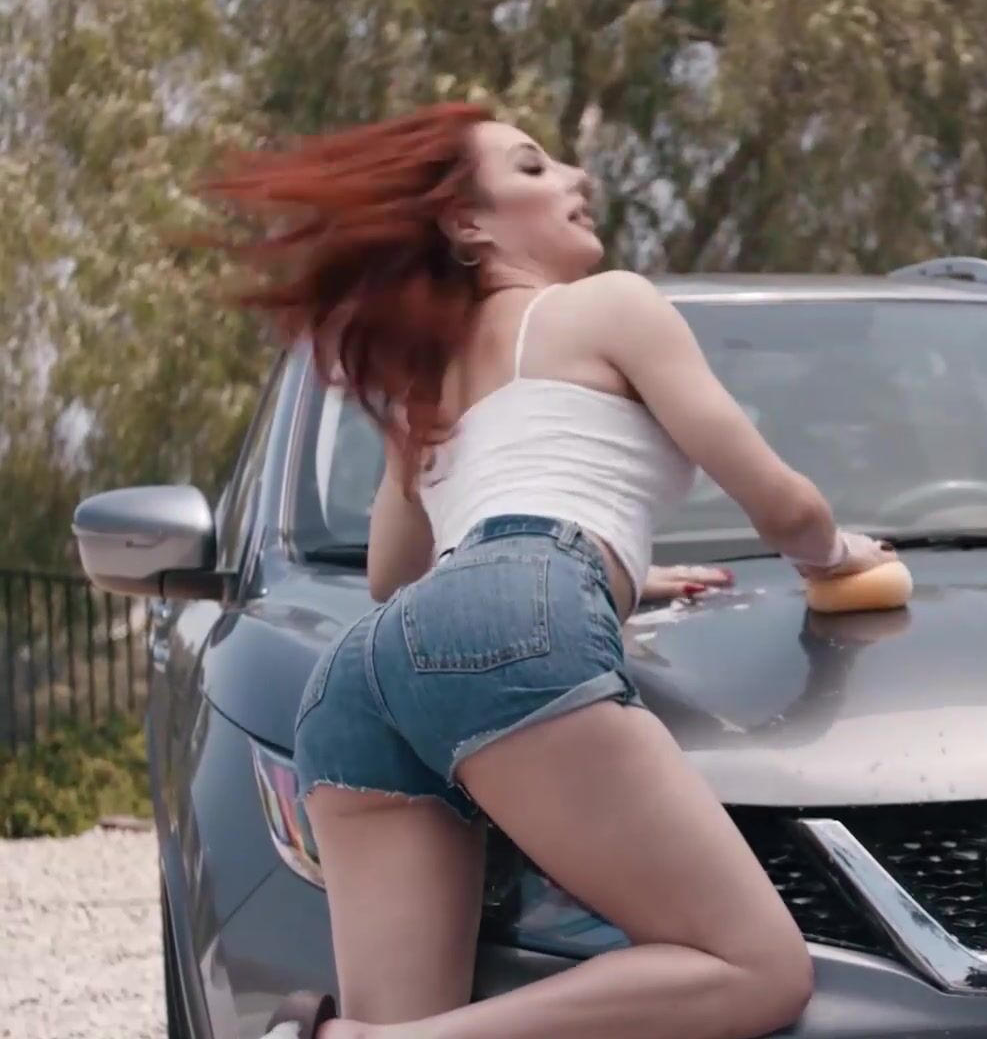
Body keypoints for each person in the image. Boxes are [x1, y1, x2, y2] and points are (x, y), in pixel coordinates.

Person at [199, 102, 895, 1039]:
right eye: (534, 167)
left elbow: (395, 579)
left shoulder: (426, 384)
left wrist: (618, 570)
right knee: (756, 969)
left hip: (362, 679)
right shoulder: (613, 305)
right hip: (517, 615)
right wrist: (838, 556)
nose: (575, 178)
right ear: (468, 226)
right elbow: (782, 506)